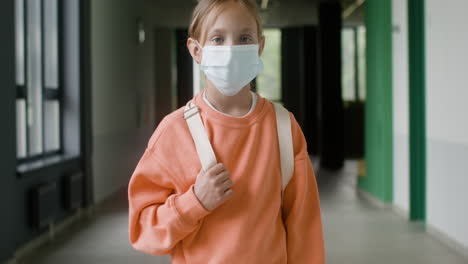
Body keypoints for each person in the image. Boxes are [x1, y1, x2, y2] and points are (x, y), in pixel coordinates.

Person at [127, 0, 325, 263]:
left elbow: (304, 226)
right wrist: (194, 202)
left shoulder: (283, 127)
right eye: (218, 39)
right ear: (196, 50)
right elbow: (143, 229)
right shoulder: (174, 132)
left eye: (244, 38)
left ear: (260, 47)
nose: (231, 50)